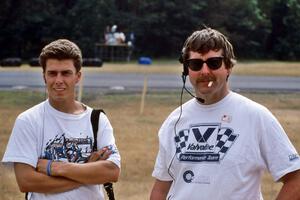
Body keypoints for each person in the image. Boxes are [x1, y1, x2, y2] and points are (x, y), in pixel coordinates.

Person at [150, 28, 300, 200]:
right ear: (186, 70)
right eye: (196, 64)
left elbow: (295, 178)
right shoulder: (174, 122)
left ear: (228, 67)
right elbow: (161, 188)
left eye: (214, 63)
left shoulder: (256, 116)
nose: (205, 71)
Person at [2, 39, 121, 200]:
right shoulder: (28, 120)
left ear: (78, 76)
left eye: (66, 73)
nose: (59, 80)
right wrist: (87, 171)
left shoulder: (97, 120)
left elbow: (112, 172)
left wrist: (53, 167)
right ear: (44, 76)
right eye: (52, 73)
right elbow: (26, 181)